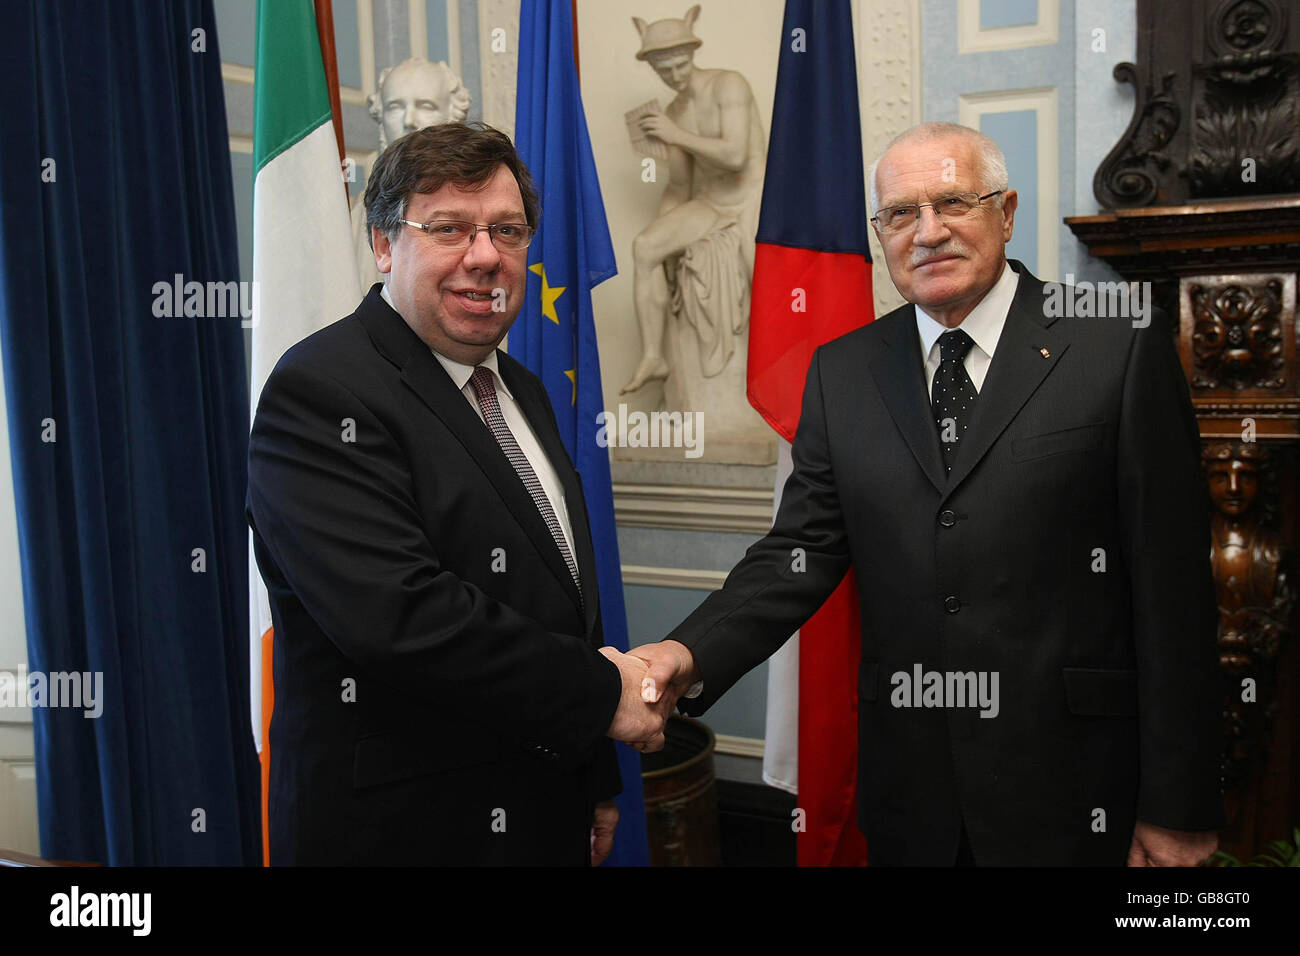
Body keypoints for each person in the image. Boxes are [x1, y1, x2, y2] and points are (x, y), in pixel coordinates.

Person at [633, 122, 1225, 866]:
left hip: (1079, 790)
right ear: (881, 233)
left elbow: (1175, 595)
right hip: (914, 793)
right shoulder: (843, 372)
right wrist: (684, 654)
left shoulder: (1117, 344)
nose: (929, 232)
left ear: (1006, 212)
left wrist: (1180, 808)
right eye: (901, 214)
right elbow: (800, 551)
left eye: (953, 202)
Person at [247, 123, 668, 866]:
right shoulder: (320, 391)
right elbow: (401, 616)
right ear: (383, 245)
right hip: (404, 833)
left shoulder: (523, 392)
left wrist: (594, 780)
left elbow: (564, 601)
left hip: (543, 809)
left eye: (506, 230)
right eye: (448, 229)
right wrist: (604, 692)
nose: (484, 257)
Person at [621, 4, 766, 395]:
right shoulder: (673, 112)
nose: (674, 75)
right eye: (663, 69)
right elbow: (679, 188)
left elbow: (735, 155)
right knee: (645, 247)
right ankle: (654, 356)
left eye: (680, 64)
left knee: (765, 290)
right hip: (711, 204)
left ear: (692, 54)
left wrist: (674, 134)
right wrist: (665, 234)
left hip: (753, 199)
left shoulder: (729, 84)